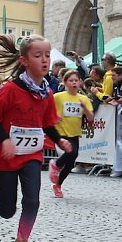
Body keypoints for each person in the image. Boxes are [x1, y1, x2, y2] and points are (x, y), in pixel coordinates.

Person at [0, 35, 72, 242]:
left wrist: (60, 139)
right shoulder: (10, 89)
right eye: (38, 56)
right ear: (24, 60)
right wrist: (5, 140)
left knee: (32, 200)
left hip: (31, 155)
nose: (45, 60)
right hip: (7, 155)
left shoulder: (46, 92)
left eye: (47, 55)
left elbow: (47, 122)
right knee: (7, 211)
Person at [49, 70, 94, 198]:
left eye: (76, 80)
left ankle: (57, 185)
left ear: (80, 82)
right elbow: (46, 109)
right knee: (72, 152)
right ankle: (56, 164)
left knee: (70, 163)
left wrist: (84, 108)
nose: (74, 83)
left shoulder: (84, 98)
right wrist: (54, 116)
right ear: (65, 82)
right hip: (60, 131)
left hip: (75, 132)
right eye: (71, 80)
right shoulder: (57, 97)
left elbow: (91, 118)